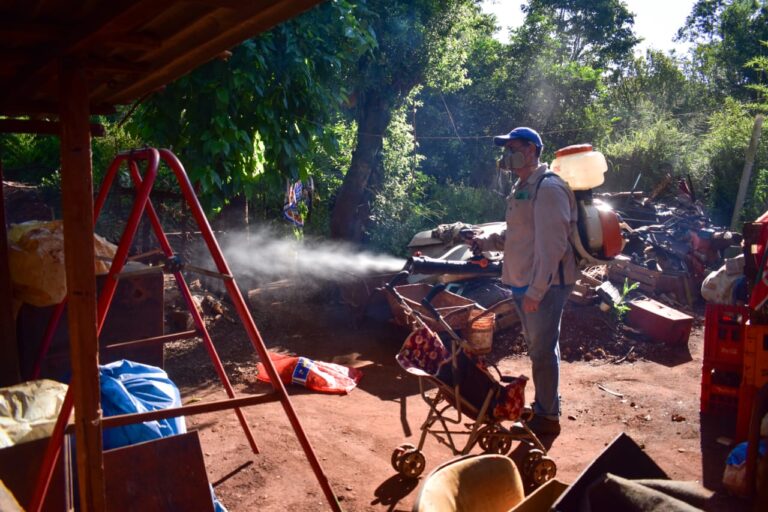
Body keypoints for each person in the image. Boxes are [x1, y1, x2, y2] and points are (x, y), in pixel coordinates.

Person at [470, 126, 577, 436]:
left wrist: (536, 291)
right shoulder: (522, 186)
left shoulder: (549, 188)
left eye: (513, 148)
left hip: (544, 286)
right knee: (540, 348)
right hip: (524, 283)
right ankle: (547, 403)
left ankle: (546, 417)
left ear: (531, 151)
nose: (507, 155)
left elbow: (553, 246)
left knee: (542, 350)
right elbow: (516, 235)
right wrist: (483, 241)